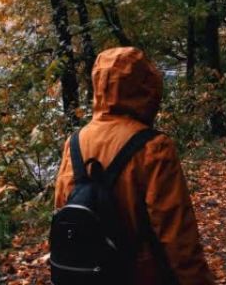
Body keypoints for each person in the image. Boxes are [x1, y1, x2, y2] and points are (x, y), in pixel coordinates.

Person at [54, 47, 215, 285]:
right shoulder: (154, 146)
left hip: (89, 272)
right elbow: (177, 235)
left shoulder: (74, 142)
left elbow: (63, 209)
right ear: (145, 88)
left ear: (99, 85)